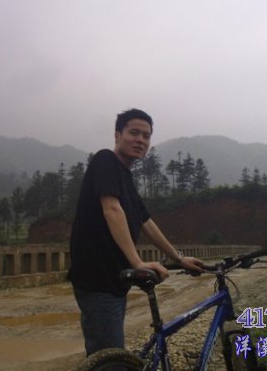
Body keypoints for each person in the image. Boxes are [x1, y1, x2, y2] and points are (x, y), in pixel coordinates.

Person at [68, 108, 204, 356]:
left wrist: (179, 258)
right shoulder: (105, 160)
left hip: (115, 279)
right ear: (117, 135)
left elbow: (146, 222)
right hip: (97, 280)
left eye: (146, 136)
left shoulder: (126, 179)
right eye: (134, 133)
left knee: (111, 353)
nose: (140, 140)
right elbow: (111, 209)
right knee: (109, 358)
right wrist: (138, 262)